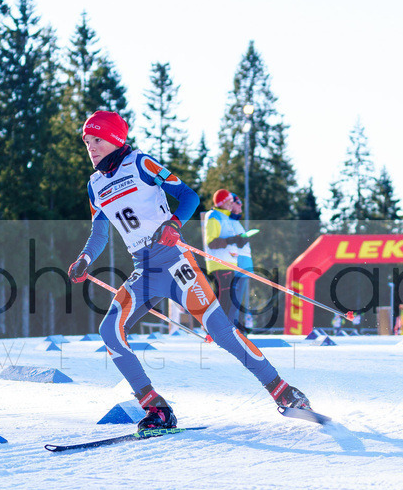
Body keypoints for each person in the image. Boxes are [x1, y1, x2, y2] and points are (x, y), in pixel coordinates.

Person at [68, 110, 311, 431]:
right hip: (145, 269)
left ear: (115, 138)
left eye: (97, 139)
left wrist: (173, 223)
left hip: (175, 261)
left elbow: (188, 196)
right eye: (87, 141)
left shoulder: (141, 163)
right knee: (109, 331)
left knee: (222, 333)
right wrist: (85, 258)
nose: (91, 147)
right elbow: (99, 233)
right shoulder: (95, 185)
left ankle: (282, 391)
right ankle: (156, 410)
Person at [202, 189, 252, 332]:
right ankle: (214, 329)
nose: (231, 205)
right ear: (222, 203)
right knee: (224, 299)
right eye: (229, 202)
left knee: (229, 300)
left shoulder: (227, 217)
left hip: (230, 263)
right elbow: (211, 242)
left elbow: (231, 238)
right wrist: (232, 240)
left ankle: (220, 328)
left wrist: (239, 240)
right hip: (219, 263)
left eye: (232, 202)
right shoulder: (214, 216)